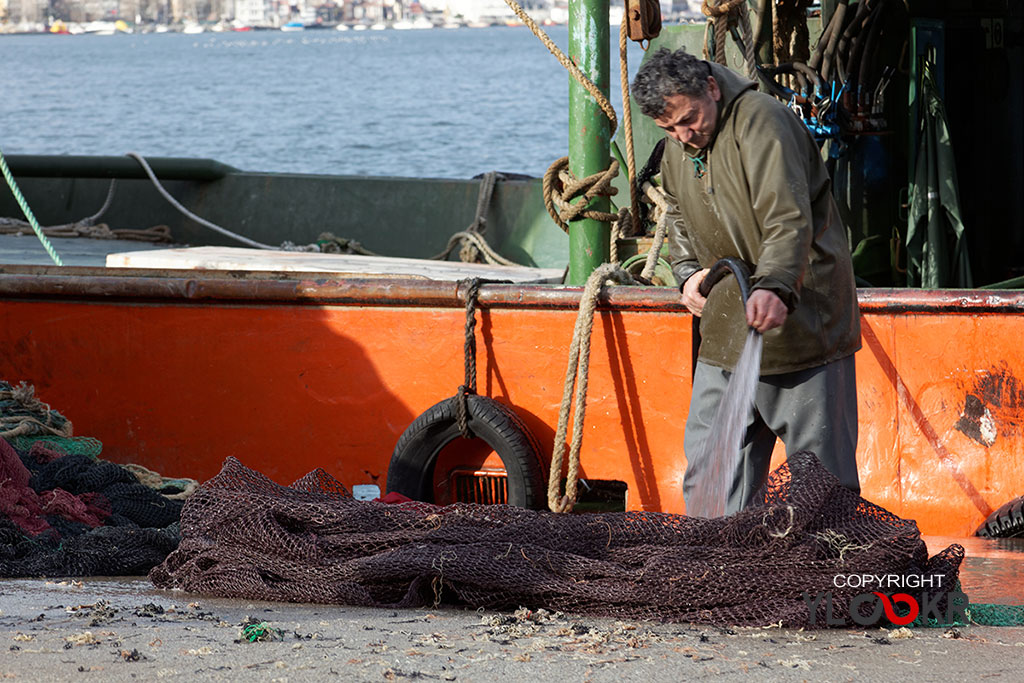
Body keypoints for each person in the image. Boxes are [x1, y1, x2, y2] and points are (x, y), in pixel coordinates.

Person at [630, 48, 862, 515]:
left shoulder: (763, 122)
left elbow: (787, 218)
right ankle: (717, 576)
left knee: (822, 486)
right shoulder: (680, 143)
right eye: (669, 129)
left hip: (802, 327)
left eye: (690, 119)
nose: (683, 136)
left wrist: (775, 285)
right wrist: (687, 271)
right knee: (710, 474)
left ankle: (825, 582)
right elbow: (673, 208)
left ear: (712, 88)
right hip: (724, 330)